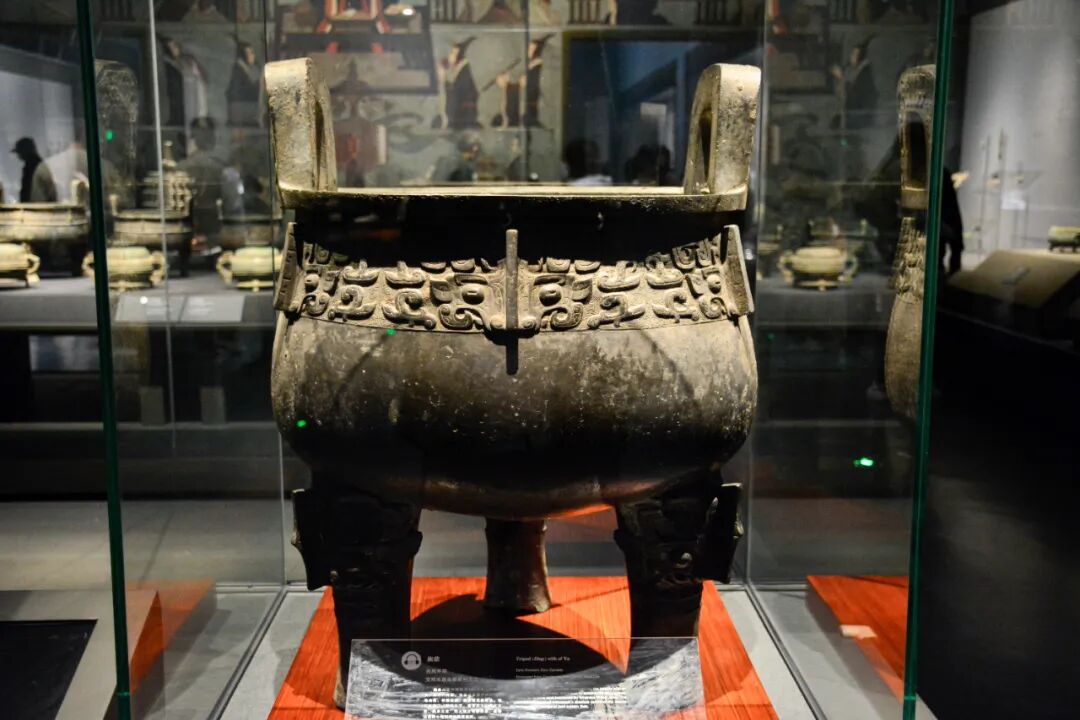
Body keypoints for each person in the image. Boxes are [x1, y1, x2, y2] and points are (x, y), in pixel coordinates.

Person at [12, 138, 58, 202]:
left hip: (39, 207)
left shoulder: (39, 168)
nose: (18, 155)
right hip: (33, 207)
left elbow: (51, 193)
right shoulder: (30, 168)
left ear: (25, 151)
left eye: (19, 152)